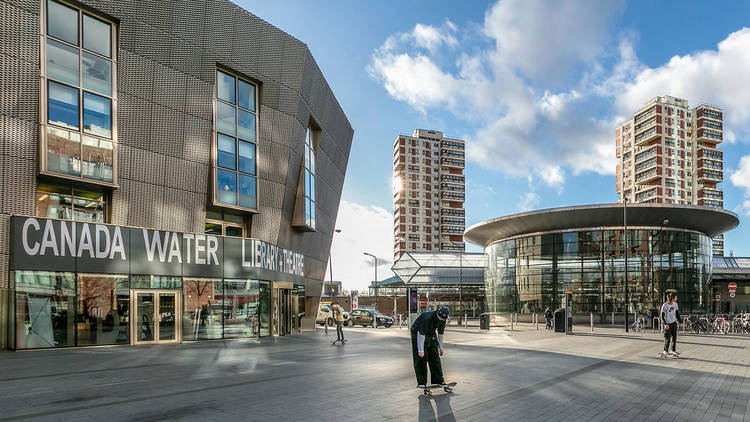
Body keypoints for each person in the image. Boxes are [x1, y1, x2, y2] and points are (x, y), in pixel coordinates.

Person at [410, 306, 450, 389]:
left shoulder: (443, 319)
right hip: (417, 333)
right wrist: (421, 350)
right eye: (440, 318)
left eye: (443, 319)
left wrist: (441, 347)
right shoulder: (427, 317)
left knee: (435, 357)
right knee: (421, 358)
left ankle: (439, 379)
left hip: (431, 333)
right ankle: (421, 382)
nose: (441, 320)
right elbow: (421, 334)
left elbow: (440, 333)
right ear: (437, 313)